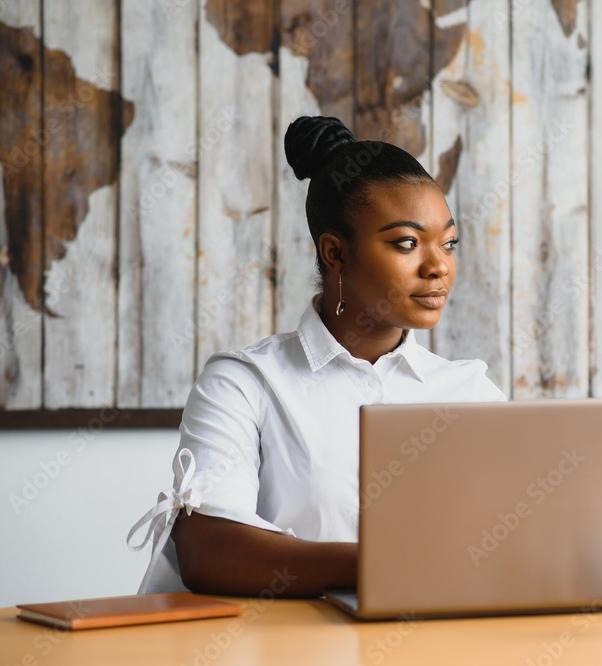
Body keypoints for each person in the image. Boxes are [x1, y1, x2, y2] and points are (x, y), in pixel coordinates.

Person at [127, 116, 507, 598]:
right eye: (407, 243)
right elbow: (209, 550)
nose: (438, 267)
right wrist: (392, 563)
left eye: (448, 243)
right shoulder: (246, 383)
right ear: (335, 253)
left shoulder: (472, 392)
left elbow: (525, 538)